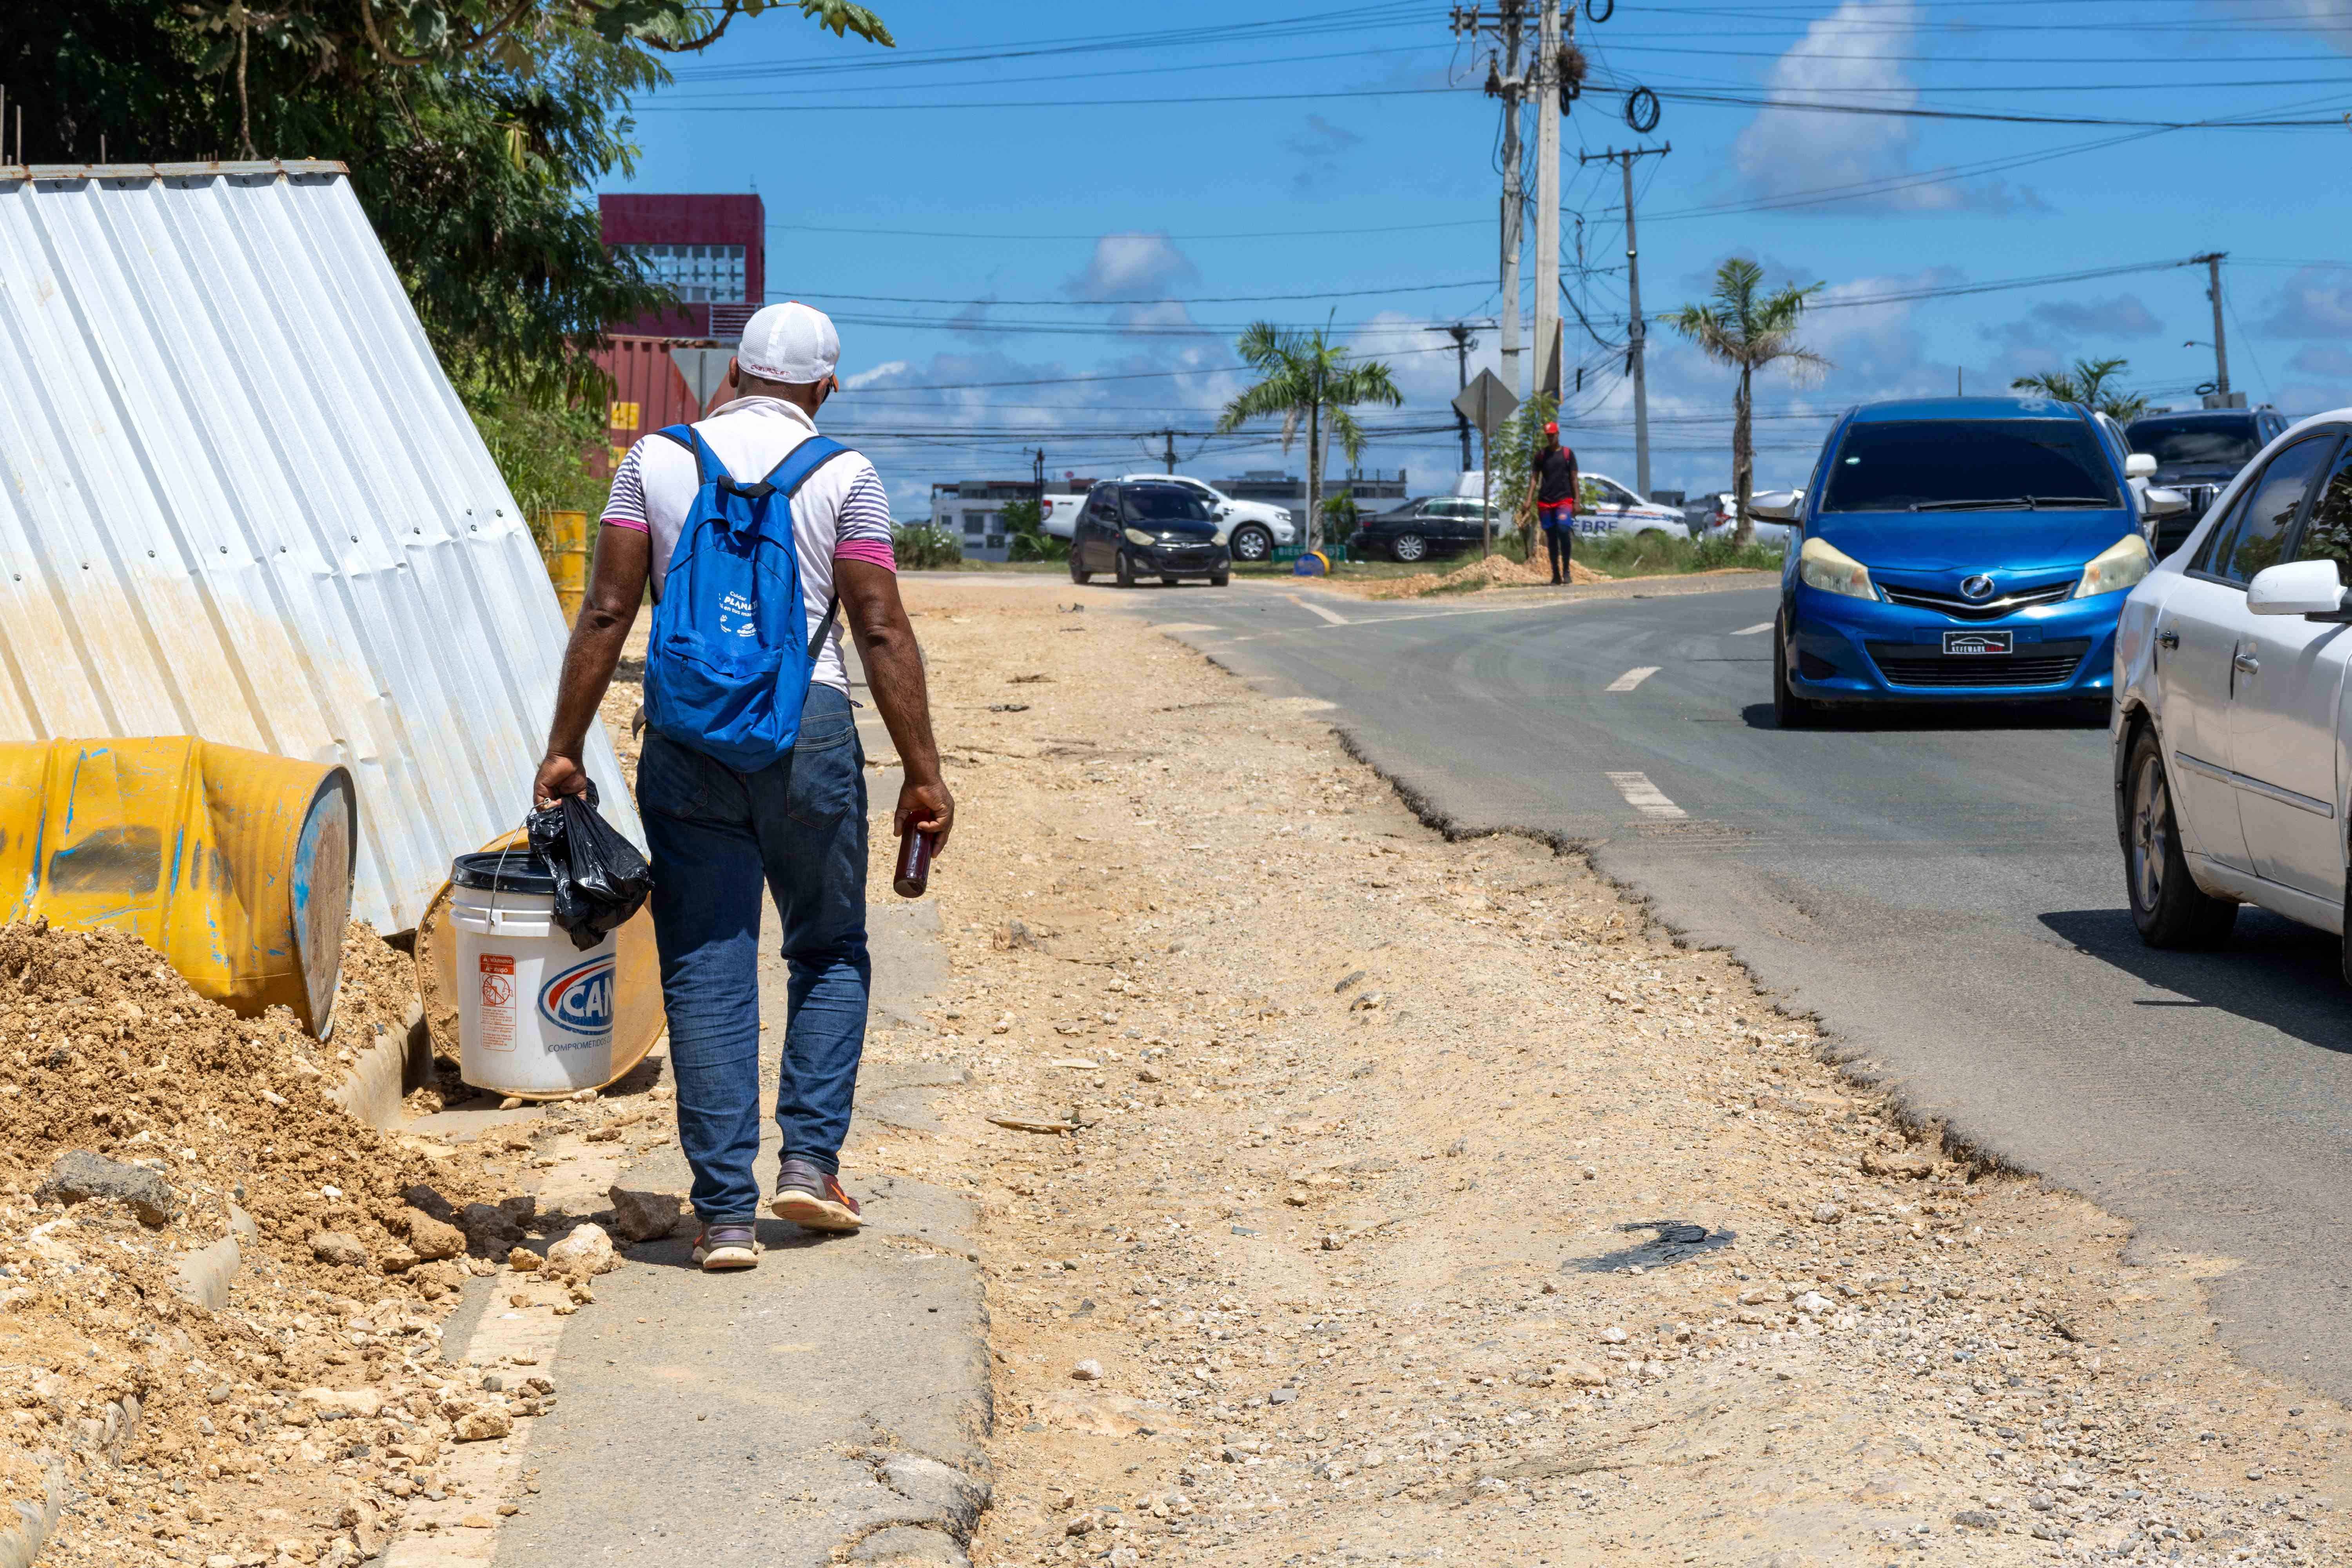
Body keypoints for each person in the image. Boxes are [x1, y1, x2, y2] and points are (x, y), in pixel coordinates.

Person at [533, 301, 954, 1274]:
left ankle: (723, 1213)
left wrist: (565, 746)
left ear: (734, 370)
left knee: (708, 961)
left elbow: (607, 607)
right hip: (806, 729)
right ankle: (808, 1164)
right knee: (830, 948)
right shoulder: (845, 475)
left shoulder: (653, 462)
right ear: (825, 386)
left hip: (686, 736)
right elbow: (880, 625)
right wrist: (923, 772)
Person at [1526, 420, 1580, 585]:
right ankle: (1556, 573)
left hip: (1564, 500)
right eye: (1548, 436)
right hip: (1545, 502)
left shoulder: (1567, 454)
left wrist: (1577, 501)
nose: (1550, 438)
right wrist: (1528, 500)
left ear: (1558, 434)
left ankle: (1567, 571)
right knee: (1551, 537)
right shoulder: (1541, 456)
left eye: (1553, 435)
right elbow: (1535, 478)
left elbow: (1574, 478)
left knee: (1564, 531)